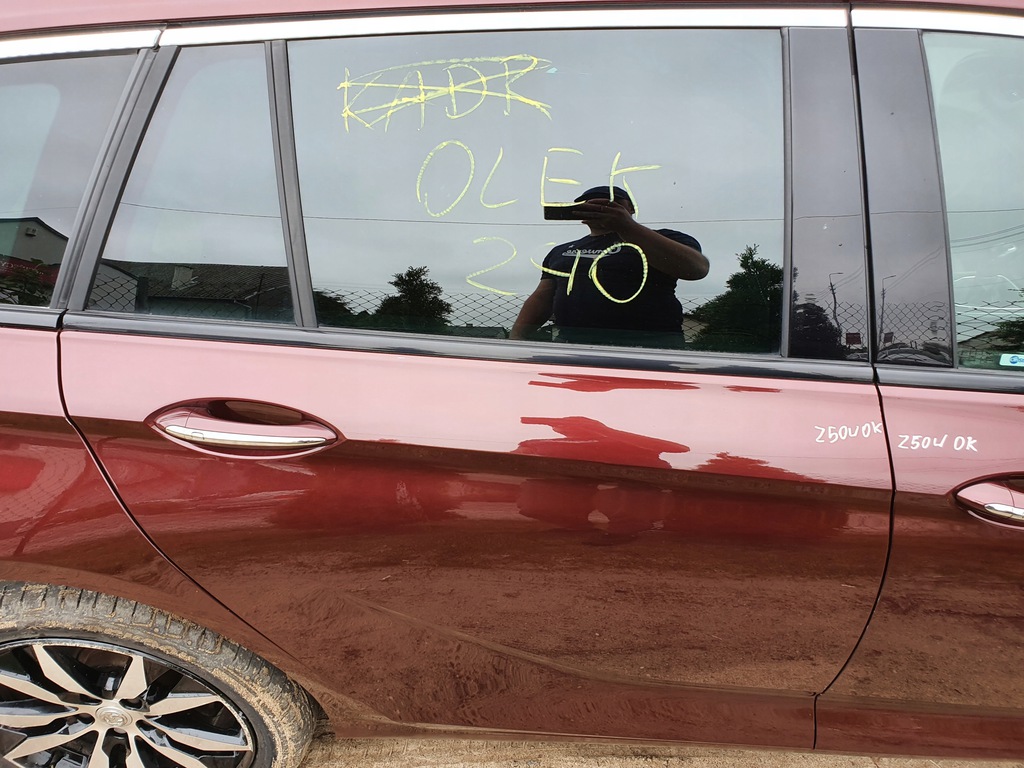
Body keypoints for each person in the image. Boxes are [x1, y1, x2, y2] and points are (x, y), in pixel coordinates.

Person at [510, 185, 708, 346]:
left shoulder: (664, 238)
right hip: (572, 345)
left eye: (611, 202)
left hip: (651, 345)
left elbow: (696, 269)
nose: (601, 207)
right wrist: (517, 338)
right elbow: (543, 296)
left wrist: (626, 226)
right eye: (590, 204)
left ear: (631, 209)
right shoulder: (561, 250)